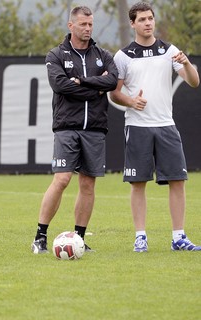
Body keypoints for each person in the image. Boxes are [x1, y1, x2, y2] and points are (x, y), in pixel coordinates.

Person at [109, 2, 200, 252]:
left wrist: (188, 64)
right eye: (142, 20)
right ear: (133, 24)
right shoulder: (123, 56)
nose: (148, 23)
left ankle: (179, 237)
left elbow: (193, 82)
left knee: (177, 181)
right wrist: (131, 101)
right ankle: (140, 236)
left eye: (150, 18)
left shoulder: (169, 50)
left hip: (166, 125)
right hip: (137, 126)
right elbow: (114, 93)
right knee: (138, 183)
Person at [31, 6, 118, 254]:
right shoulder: (56, 54)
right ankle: (40, 236)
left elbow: (112, 81)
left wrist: (83, 81)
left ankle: (78, 237)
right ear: (71, 26)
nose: (88, 28)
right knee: (62, 179)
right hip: (67, 127)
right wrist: (95, 88)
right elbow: (61, 86)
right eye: (83, 24)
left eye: (90, 24)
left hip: (95, 128)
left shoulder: (103, 54)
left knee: (88, 184)